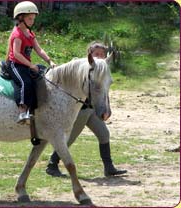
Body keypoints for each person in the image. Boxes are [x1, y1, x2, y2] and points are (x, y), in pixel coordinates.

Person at [46, 42, 127, 177]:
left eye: (102, 54)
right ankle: (52, 164)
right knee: (69, 139)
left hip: (92, 110)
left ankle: (109, 167)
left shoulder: (102, 71)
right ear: (90, 55)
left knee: (104, 134)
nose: (100, 57)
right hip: (80, 110)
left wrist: (106, 108)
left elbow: (103, 92)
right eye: (96, 54)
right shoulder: (82, 68)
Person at [6, 1, 56, 124]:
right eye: (29, 18)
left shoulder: (30, 34)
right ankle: (22, 111)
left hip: (25, 64)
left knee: (42, 75)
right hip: (15, 64)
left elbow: (39, 50)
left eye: (33, 19)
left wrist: (50, 61)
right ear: (20, 18)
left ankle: (36, 108)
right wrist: (31, 65)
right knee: (25, 82)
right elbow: (17, 54)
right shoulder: (17, 34)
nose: (32, 21)